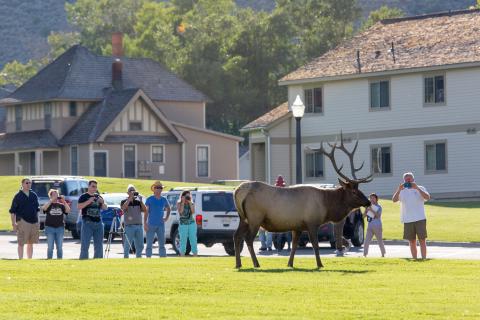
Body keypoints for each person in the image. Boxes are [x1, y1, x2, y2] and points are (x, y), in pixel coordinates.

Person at [392, 172, 430, 259]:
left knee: (422, 240)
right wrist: (399, 189)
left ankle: (424, 258)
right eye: (406, 180)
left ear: (413, 179)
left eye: (409, 179)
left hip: (420, 218)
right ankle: (414, 259)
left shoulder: (420, 188)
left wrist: (417, 188)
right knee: (412, 241)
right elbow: (394, 200)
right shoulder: (402, 191)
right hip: (408, 219)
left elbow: (427, 197)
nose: (408, 181)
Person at [9, 178, 40, 259]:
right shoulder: (18, 196)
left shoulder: (34, 195)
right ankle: (20, 259)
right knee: (21, 242)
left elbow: (37, 210)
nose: (29, 184)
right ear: (22, 184)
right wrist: (13, 223)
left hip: (34, 221)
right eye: (27, 183)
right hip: (22, 221)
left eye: (30, 183)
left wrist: (38, 222)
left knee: (31, 242)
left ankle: (29, 259)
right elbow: (12, 211)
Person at [78, 180, 107, 259]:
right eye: (93, 186)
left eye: (96, 187)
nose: (94, 188)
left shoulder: (98, 196)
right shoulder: (83, 196)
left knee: (99, 245)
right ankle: (83, 260)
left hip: (98, 223)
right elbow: (79, 207)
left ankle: (98, 260)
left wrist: (102, 202)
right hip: (87, 223)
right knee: (85, 244)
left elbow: (105, 208)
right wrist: (89, 201)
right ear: (89, 186)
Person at [41, 189, 71, 259]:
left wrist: (64, 202)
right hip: (49, 228)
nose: (55, 196)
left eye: (56, 194)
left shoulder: (61, 205)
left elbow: (68, 210)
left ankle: (59, 260)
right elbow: (44, 209)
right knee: (50, 247)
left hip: (60, 228)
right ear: (50, 196)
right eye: (53, 195)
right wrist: (51, 200)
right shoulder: (48, 204)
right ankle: (49, 260)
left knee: (60, 247)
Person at [145, 181, 171, 258]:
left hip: (161, 224)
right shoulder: (149, 199)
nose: (159, 189)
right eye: (157, 188)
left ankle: (162, 258)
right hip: (151, 224)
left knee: (162, 244)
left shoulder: (164, 199)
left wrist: (166, 218)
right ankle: (148, 258)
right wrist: (145, 223)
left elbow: (168, 208)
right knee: (149, 244)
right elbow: (146, 212)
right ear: (154, 189)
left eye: (160, 188)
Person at [121, 184, 147, 258]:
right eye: (130, 191)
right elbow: (123, 208)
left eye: (133, 190)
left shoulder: (138, 202)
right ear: (127, 193)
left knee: (140, 245)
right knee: (127, 244)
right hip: (129, 226)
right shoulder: (124, 201)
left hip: (139, 226)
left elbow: (145, 210)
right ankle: (126, 258)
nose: (132, 192)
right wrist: (130, 199)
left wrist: (141, 201)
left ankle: (138, 257)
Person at [362, 193, 385, 257]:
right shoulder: (369, 207)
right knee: (366, 241)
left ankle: (383, 254)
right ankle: (364, 254)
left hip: (377, 226)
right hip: (370, 226)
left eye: (373, 198)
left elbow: (378, 216)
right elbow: (363, 217)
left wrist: (371, 210)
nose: (371, 199)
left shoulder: (379, 207)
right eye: (370, 198)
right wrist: (366, 210)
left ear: (376, 199)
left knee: (379, 240)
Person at [274, 175, 291, 253]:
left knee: (280, 234)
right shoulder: (286, 194)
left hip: (279, 217)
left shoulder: (276, 195)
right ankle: (288, 247)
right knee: (287, 234)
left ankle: (279, 248)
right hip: (286, 216)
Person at [177, 190, 198, 256]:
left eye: (189, 196)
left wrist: (190, 203)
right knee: (183, 240)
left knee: (193, 239)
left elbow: (193, 212)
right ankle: (182, 254)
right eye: (186, 196)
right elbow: (180, 212)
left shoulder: (191, 203)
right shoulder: (179, 203)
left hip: (191, 223)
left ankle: (195, 254)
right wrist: (183, 202)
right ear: (182, 196)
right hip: (183, 224)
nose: (188, 197)